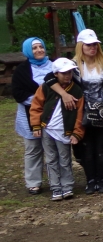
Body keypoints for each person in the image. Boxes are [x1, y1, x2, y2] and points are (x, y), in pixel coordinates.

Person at [29, 58, 85, 201]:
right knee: (51, 159)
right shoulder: (45, 88)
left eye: (70, 72)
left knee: (65, 159)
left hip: (64, 130)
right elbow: (36, 106)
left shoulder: (77, 90)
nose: (67, 76)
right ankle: (55, 187)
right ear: (55, 74)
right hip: (47, 129)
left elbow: (79, 114)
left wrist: (77, 132)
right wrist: (36, 125)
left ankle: (67, 186)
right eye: (64, 73)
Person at [71, 29, 103, 194]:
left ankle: (101, 180)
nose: (92, 47)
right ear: (81, 46)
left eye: (95, 44)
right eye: (89, 45)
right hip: (83, 110)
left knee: (100, 147)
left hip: (101, 110)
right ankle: (90, 180)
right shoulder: (74, 66)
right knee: (87, 147)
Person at [13, 37, 54, 195]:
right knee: (33, 148)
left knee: (53, 148)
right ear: (28, 51)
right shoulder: (21, 70)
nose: (39, 50)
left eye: (41, 47)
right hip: (29, 113)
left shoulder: (53, 65)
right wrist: (40, 101)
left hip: (53, 113)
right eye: (35, 48)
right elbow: (18, 93)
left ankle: (55, 180)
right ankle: (33, 182)